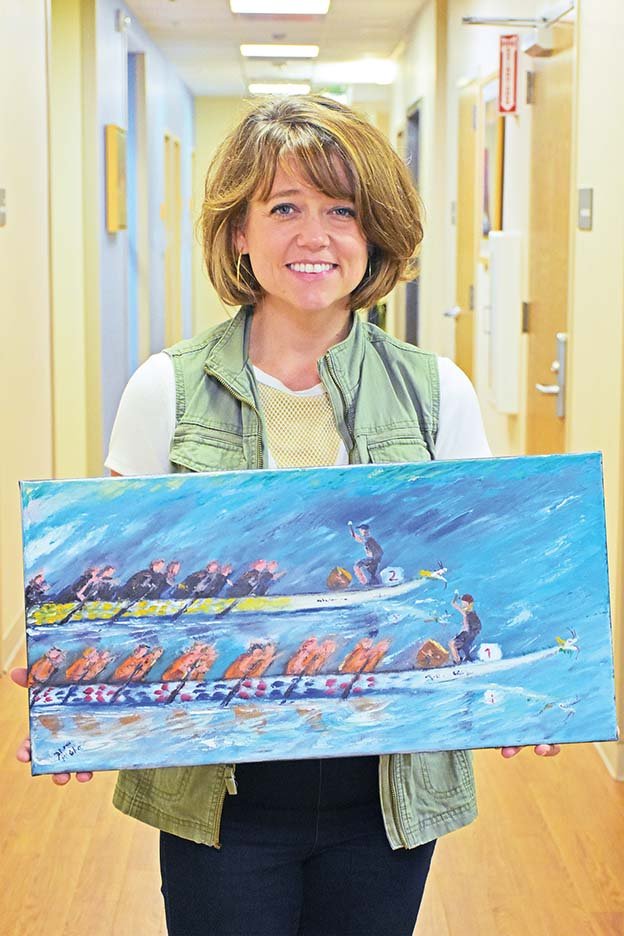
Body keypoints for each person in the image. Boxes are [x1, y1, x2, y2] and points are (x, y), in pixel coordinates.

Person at [11, 94, 560, 936]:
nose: (316, 236)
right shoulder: (168, 389)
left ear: (374, 231)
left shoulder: (434, 390)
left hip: (387, 792)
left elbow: (476, 582)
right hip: (223, 797)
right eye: (284, 208)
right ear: (240, 231)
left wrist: (534, 687)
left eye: (342, 210)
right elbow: (117, 589)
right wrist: (79, 685)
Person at [449, 592, 482, 664]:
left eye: (463, 602)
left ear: (468, 603)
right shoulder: (470, 611)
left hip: (468, 632)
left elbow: (463, 613)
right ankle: (465, 659)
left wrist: (455, 601)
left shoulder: (468, 611)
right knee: (462, 646)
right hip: (472, 631)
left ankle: (458, 661)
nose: (462, 604)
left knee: (452, 643)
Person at [349, 521, 384, 586]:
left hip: (372, 558)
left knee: (357, 566)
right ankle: (376, 584)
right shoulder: (369, 538)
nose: (360, 531)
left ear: (364, 530)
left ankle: (365, 582)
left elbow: (358, 538)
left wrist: (350, 528)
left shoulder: (367, 537)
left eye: (361, 530)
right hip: (376, 558)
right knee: (372, 573)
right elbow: (380, 551)